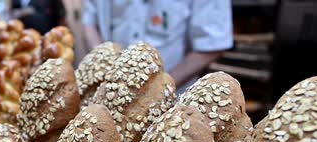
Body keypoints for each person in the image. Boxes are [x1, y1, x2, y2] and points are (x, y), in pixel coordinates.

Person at [82, 0, 233, 94]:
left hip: (175, 99)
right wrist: (103, 61)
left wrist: (160, 89)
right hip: (112, 94)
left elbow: (212, 43)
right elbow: (89, 20)